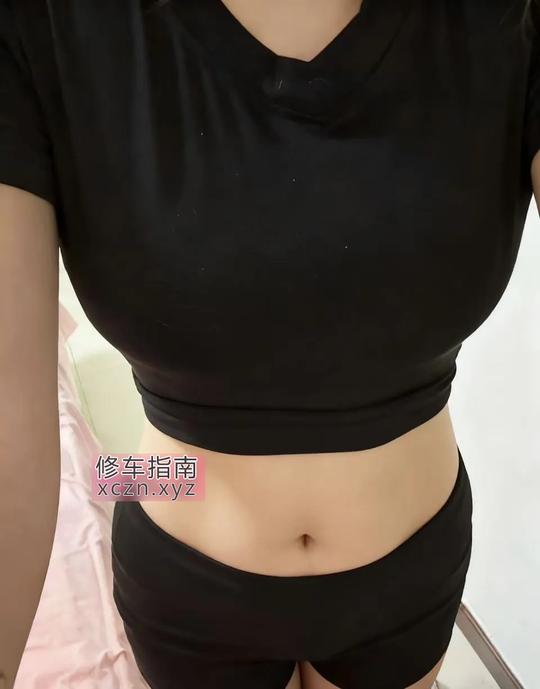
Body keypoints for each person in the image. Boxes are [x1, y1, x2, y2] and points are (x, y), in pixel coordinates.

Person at [1, 1, 539, 688]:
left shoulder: (507, 20)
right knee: (104, 470)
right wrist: (114, 477)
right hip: (187, 572)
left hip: (408, 574)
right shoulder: (44, 23)